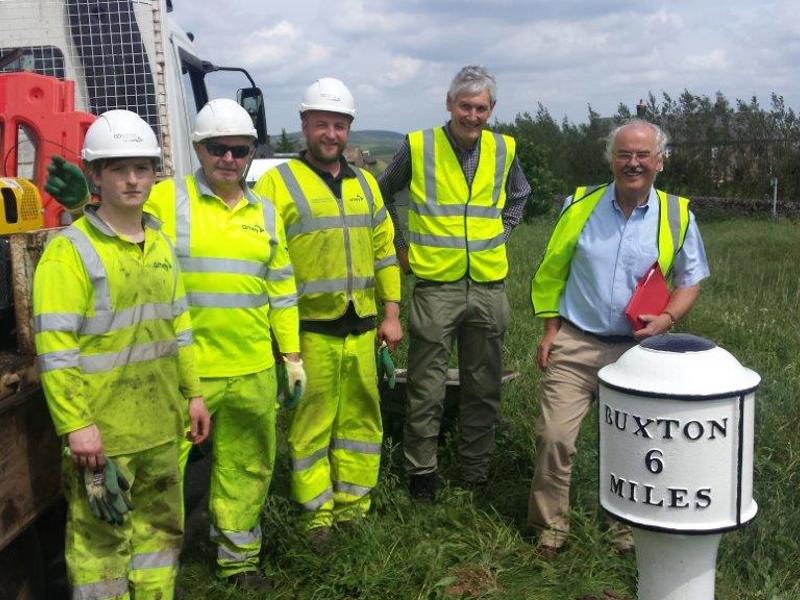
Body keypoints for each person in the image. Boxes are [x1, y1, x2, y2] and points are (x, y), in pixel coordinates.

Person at [45, 99, 303, 591]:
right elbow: (114, 221)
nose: (228, 158)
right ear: (198, 150)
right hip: (184, 379)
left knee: (248, 466)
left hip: (250, 366)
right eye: (217, 148)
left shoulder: (265, 214)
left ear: (251, 152)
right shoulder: (168, 198)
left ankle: (238, 559)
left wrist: (289, 355)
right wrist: (80, 202)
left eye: (239, 149)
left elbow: (282, 288)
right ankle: (158, 570)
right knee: (158, 488)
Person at [34, 109, 211, 600]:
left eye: (142, 168)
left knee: (159, 538)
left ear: (155, 173)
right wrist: (77, 426)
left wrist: (194, 395)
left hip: (159, 429)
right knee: (100, 547)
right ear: (95, 175)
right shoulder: (69, 252)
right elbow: (56, 347)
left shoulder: (159, 246)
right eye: (118, 169)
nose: (132, 180)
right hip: (103, 436)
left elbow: (179, 329)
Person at [527, 119, 710, 555]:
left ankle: (625, 531)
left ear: (660, 161)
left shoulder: (678, 214)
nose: (633, 163)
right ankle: (551, 530)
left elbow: (691, 279)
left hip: (637, 350)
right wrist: (551, 330)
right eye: (624, 154)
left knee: (633, 445)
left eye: (643, 155)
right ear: (611, 159)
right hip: (576, 340)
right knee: (554, 436)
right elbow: (554, 270)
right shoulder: (579, 205)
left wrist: (666, 318)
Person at [253, 77, 402, 548]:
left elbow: (384, 250)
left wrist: (392, 313)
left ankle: (354, 506)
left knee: (361, 420)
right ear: (304, 125)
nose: (330, 134)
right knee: (311, 425)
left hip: (362, 328)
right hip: (308, 330)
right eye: (322, 124)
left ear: (349, 129)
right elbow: (262, 256)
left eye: (339, 125)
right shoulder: (278, 184)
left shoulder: (365, 184)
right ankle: (316, 516)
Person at [378, 65, 531, 501]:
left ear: (492, 109)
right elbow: (383, 192)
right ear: (449, 104)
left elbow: (520, 194)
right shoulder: (419, 145)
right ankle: (421, 474)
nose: (473, 115)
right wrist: (401, 243)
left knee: (483, 385)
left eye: (481, 107)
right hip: (435, 285)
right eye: (465, 106)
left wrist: (499, 234)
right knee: (426, 387)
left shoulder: (505, 148)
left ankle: (476, 471)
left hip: (488, 286)